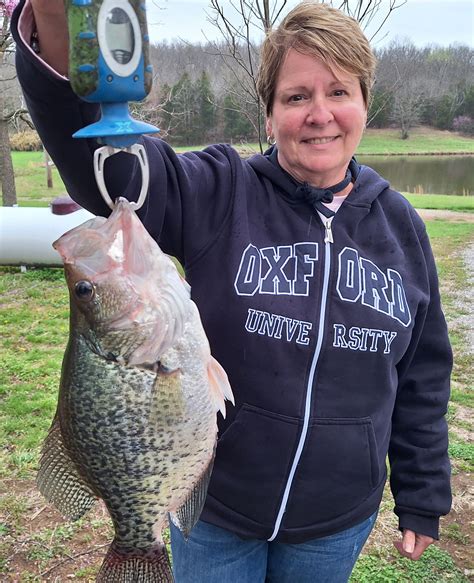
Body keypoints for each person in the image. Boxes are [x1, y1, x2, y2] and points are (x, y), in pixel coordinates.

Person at [12, 1, 452, 581]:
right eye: (296, 97)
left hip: (337, 515)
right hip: (218, 508)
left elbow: (421, 371)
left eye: (339, 92)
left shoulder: (402, 229)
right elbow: (108, 169)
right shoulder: (220, 190)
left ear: (365, 104)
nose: (320, 114)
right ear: (269, 115)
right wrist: (52, 18)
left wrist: (422, 492)